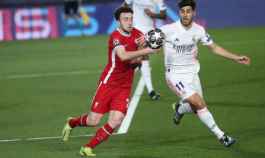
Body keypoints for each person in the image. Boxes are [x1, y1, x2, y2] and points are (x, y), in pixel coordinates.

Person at [62, 6, 159, 156]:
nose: (129, 22)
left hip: (124, 86)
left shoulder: (138, 34)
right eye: (125, 19)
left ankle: (87, 147)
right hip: (109, 83)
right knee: (93, 120)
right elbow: (124, 56)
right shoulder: (115, 37)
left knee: (117, 119)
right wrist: (148, 50)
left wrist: (149, 46)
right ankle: (71, 122)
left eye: (131, 18)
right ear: (118, 21)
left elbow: (140, 58)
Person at [160, 0, 250, 147]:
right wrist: (143, 43)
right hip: (174, 75)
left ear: (194, 13)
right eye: (183, 11)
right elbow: (150, 38)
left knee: (196, 106)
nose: (185, 14)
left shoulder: (199, 30)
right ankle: (221, 136)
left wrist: (236, 57)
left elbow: (214, 48)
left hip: (192, 73)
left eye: (188, 11)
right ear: (179, 13)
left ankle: (179, 108)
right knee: (199, 103)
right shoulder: (168, 29)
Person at [123, 0, 167, 100]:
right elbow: (125, 5)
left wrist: (152, 14)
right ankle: (151, 91)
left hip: (150, 31)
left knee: (141, 59)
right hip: (135, 29)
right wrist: (126, 19)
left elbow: (164, 15)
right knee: (143, 57)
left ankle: (134, 68)